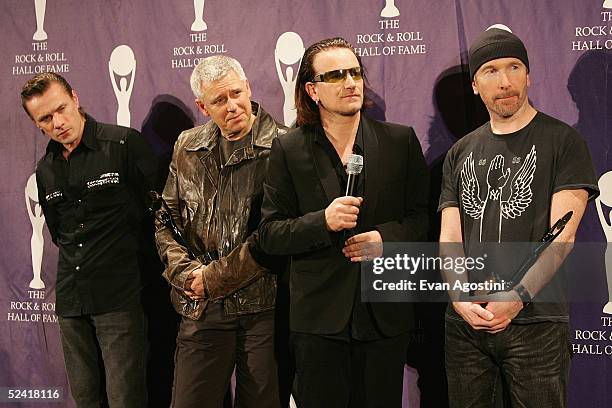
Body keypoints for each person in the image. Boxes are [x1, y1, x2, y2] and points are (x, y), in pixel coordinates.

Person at [258, 37, 430, 407]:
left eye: (354, 72)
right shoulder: (288, 149)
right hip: (318, 321)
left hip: (384, 315)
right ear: (312, 89)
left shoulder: (400, 140)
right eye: (335, 75)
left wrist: (386, 239)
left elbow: (423, 219)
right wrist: (323, 221)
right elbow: (270, 234)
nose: (350, 82)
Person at [438, 28, 599, 407]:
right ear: (476, 84)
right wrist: (460, 298)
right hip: (467, 325)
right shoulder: (460, 152)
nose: (505, 81)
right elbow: (449, 236)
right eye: (491, 70)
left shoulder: (563, 141)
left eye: (514, 67)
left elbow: (563, 236)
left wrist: (518, 297)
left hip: (537, 322)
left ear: (529, 74)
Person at [155, 55, 286, 408]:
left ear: (248, 88)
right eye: (219, 100)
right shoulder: (187, 144)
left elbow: (276, 235)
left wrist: (212, 277)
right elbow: (166, 217)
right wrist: (185, 274)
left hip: (264, 307)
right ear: (202, 106)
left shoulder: (285, 145)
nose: (232, 106)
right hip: (201, 306)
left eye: (236, 94)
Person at [22, 72, 157, 407]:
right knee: (84, 399)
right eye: (46, 118)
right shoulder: (45, 170)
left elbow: (158, 216)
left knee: (125, 398)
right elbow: (58, 233)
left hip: (120, 296)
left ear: (76, 98)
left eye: (61, 109)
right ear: (37, 125)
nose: (58, 122)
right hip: (71, 300)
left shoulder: (123, 144)